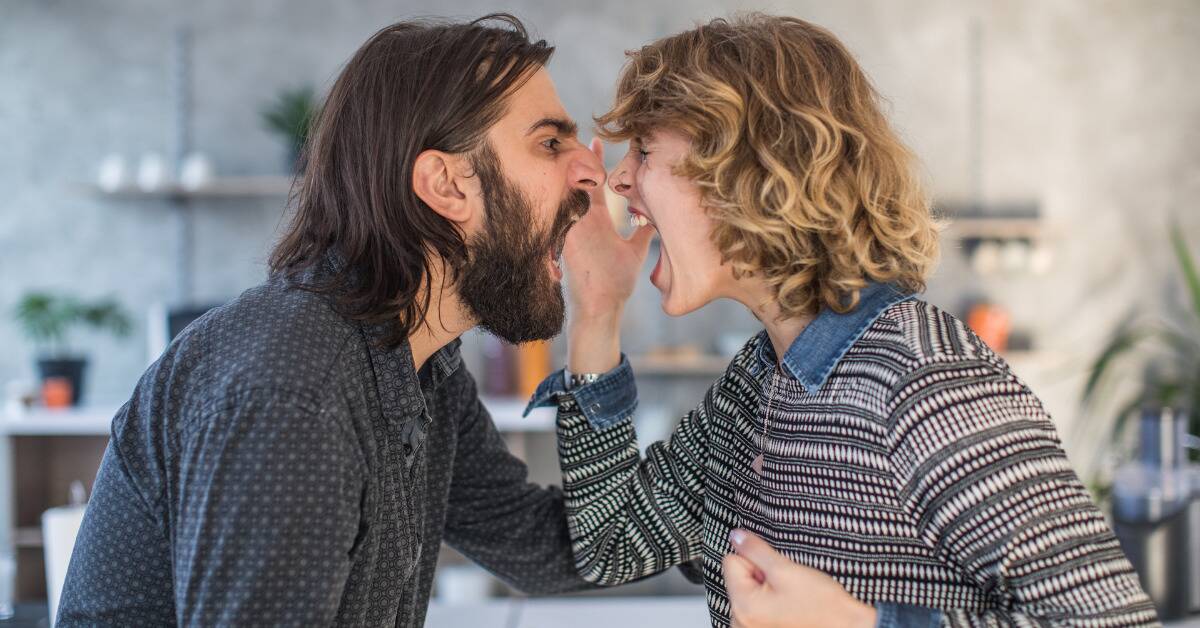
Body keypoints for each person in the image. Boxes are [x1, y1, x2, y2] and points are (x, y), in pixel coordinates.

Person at [526, 14, 1158, 627]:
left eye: (642, 150)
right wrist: (598, 312)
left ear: (751, 170)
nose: (617, 178)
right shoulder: (758, 382)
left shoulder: (928, 384)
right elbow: (611, 542)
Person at [58, 14, 605, 626]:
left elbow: (552, 545)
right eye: (550, 143)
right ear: (446, 185)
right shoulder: (296, 391)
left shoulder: (422, 361)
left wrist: (602, 313)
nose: (592, 170)